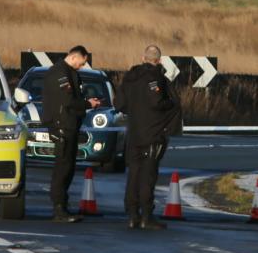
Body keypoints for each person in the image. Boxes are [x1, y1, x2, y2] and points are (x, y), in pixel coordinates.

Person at [116, 45, 182, 230]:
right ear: (159, 61)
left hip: (133, 133)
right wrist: (170, 104)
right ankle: (146, 215)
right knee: (148, 175)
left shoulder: (129, 78)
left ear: (142, 58)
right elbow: (158, 102)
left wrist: (135, 110)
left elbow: (119, 104)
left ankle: (132, 214)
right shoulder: (156, 78)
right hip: (152, 133)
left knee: (133, 174)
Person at [42, 45, 100, 222]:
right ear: (74, 57)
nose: (82, 66)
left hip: (69, 124)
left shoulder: (68, 73)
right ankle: (59, 208)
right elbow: (67, 100)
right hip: (62, 125)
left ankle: (63, 206)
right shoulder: (61, 73)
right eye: (82, 62)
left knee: (68, 167)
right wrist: (88, 104)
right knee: (63, 167)